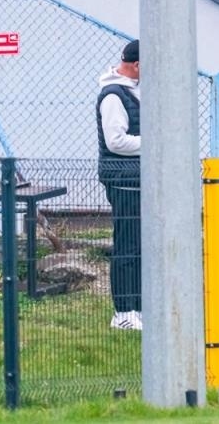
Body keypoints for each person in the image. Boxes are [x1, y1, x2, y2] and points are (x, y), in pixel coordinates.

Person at [96, 40, 142, 331]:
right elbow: (116, 141)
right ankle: (123, 311)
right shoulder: (113, 96)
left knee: (140, 246)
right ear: (136, 65)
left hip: (137, 179)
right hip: (124, 180)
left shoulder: (131, 91)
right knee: (127, 245)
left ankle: (138, 306)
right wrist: (157, 142)